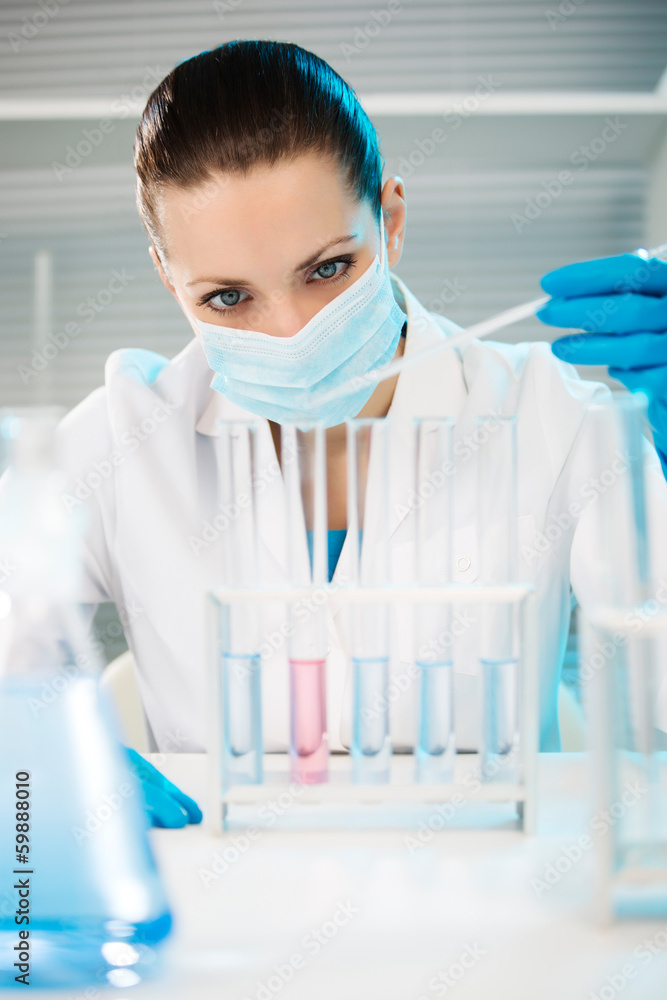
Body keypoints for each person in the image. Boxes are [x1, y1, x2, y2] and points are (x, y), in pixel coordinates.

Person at [53, 40, 667, 825]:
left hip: (495, 905)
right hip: (222, 904)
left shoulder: (543, 411)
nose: (290, 333)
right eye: (227, 299)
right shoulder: (123, 439)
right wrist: (29, 755)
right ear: (169, 278)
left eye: (327, 269)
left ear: (392, 221)